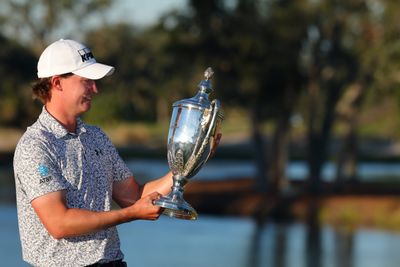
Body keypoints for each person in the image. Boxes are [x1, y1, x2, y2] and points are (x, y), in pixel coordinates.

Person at [13, 39, 174, 267]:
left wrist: (188, 165)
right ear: (57, 83)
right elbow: (59, 223)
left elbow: (134, 197)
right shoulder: (35, 146)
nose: (95, 89)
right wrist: (130, 214)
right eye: (86, 81)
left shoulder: (95, 136)